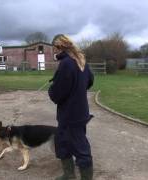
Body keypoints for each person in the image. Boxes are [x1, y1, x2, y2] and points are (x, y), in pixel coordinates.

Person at [48, 34, 94, 180]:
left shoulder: (67, 63)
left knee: (81, 149)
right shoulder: (80, 60)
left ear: (59, 47)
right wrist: (77, 89)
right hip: (78, 112)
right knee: (62, 143)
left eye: (53, 48)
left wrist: (51, 89)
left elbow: (57, 95)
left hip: (71, 116)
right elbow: (90, 81)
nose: (53, 52)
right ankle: (69, 175)